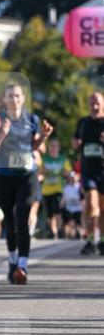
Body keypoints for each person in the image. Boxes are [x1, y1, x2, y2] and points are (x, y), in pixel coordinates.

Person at [0, 81, 53, 284]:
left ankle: (22, 266)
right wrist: (2, 134)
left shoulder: (31, 119)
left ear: (23, 99)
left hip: (27, 175)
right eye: (10, 96)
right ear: (4, 99)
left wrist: (43, 136)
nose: (14, 100)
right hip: (4, 176)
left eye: (17, 96)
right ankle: (12, 261)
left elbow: (34, 146)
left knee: (22, 218)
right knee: (10, 222)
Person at [73, 90, 104, 255]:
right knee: (91, 204)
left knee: (103, 209)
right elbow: (75, 140)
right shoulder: (83, 122)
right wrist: (76, 143)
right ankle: (91, 240)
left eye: (97, 102)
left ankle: (102, 241)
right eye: (92, 102)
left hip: (103, 171)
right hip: (88, 171)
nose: (95, 105)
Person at [41, 137, 71, 239]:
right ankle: (53, 231)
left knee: (57, 210)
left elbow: (68, 172)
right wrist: (45, 172)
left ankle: (58, 229)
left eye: (55, 146)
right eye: (51, 146)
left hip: (58, 189)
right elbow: (40, 170)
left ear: (59, 148)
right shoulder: (44, 158)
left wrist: (61, 172)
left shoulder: (63, 159)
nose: (53, 148)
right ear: (48, 147)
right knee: (49, 213)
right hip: (46, 190)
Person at [61, 171, 83, 239]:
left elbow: (83, 197)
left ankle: (80, 234)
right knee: (71, 222)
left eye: (73, 177)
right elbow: (64, 198)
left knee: (79, 223)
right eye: (70, 177)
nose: (72, 178)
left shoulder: (79, 186)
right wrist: (61, 205)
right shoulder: (66, 187)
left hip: (79, 208)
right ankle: (72, 235)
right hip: (69, 208)